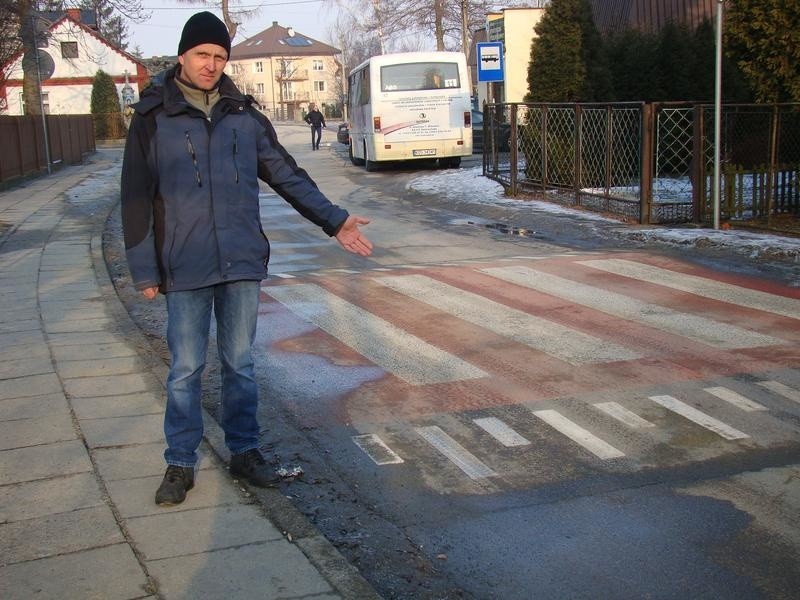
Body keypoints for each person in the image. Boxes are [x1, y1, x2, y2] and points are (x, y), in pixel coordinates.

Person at [120, 11, 373, 506]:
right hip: (184, 264)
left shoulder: (244, 116)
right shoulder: (153, 118)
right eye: (202, 55)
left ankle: (244, 450)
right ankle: (180, 462)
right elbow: (134, 196)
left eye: (219, 56)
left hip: (240, 262)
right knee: (186, 369)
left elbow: (287, 175)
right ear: (182, 57)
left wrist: (334, 219)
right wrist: (144, 267)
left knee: (239, 363)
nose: (211, 65)